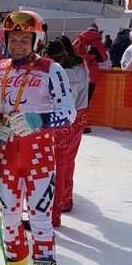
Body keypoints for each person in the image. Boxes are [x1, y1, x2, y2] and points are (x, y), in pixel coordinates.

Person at [0, 10, 76, 265]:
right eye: (13, 38)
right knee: (8, 219)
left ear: (35, 40)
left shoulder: (52, 69)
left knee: (40, 220)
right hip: (6, 154)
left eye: (24, 39)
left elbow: (69, 113)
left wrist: (39, 119)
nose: (18, 44)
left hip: (38, 156)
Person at [42, 38, 89, 227]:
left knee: (55, 169)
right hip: (80, 116)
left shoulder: (58, 75)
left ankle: (52, 214)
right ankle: (65, 201)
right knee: (68, 161)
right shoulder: (80, 68)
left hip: (62, 122)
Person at [72, 23, 108, 133]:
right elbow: (103, 59)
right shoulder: (98, 43)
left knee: (74, 99)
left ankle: (71, 122)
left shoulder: (77, 41)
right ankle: (82, 124)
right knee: (85, 101)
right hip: (90, 76)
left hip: (77, 74)